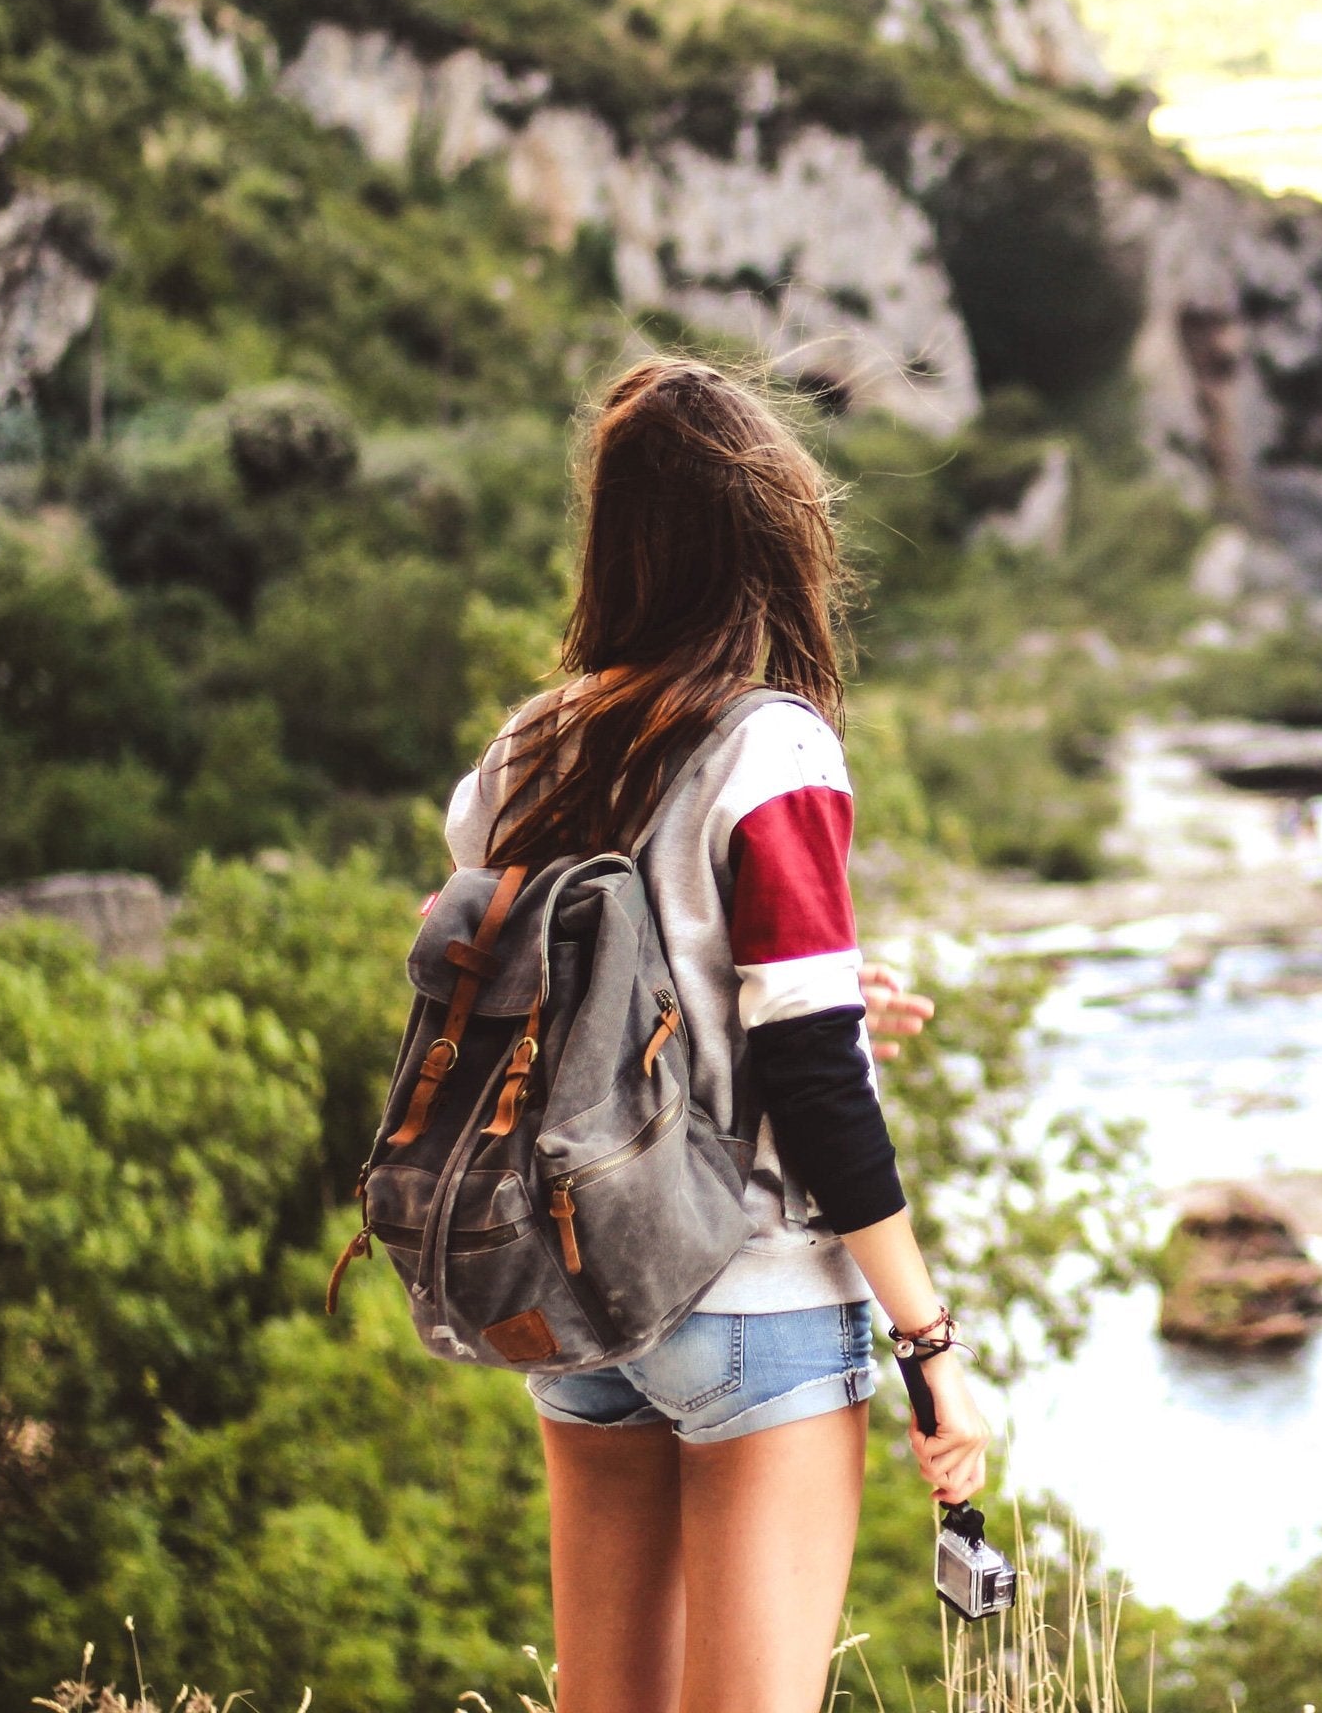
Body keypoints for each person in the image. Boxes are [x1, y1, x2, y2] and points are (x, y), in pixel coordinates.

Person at [442, 356, 988, 1713]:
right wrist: (928, 1343)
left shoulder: (526, 751)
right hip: (752, 1301)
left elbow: (564, 987)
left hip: (580, 1295)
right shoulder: (772, 749)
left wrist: (816, 990)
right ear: (767, 538)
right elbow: (811, 1080)